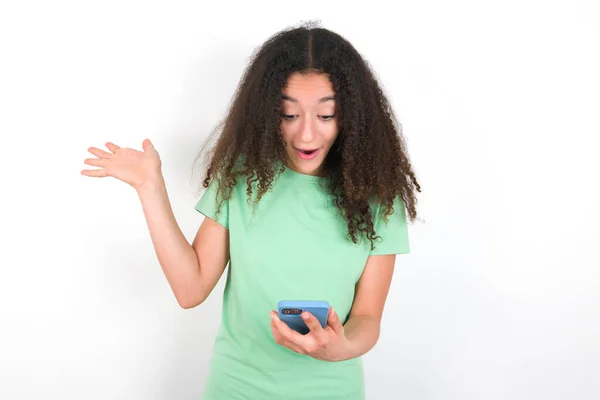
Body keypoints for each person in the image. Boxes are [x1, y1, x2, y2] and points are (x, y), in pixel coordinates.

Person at [81, 22, 421, 400]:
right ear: (266, 113)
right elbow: (190, 288)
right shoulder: (243, 177)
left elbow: (368, 318)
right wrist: (150, 187)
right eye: (289, 115)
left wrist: (341, 347)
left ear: (353, 117)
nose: (306, 134)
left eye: (326, 116)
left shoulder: (377, 197)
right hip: (236, 389)